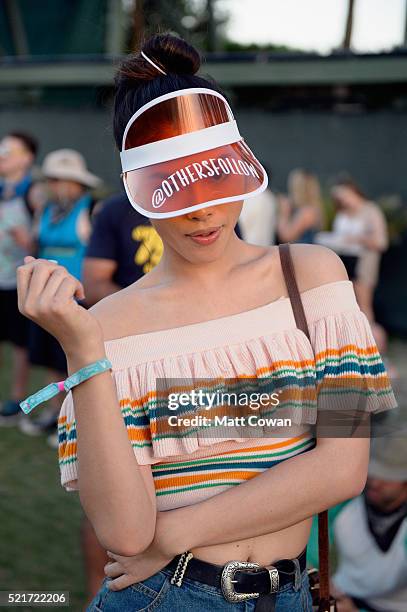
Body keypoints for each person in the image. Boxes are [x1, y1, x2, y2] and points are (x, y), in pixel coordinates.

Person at [17, 34, 397, 612]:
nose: (202, 211)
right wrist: (82, 351)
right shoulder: (111, 325)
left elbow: (343, 469)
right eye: (174, 189)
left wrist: (169, 537)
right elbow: (123, 533)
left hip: (285, 595)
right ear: (138, 195)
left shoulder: (312, 279)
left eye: (214, 179)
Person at [19, 149, 100, 443]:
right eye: (52, 179)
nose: (56, 185)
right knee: (48, 358)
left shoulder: (92, 210)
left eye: (62, 180)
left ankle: (75, 420)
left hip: (77, 299)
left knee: (74, 359)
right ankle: (55, 414)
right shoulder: (46, 211)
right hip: (45, 298)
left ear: (78, 183)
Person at [330, 436, 407, 612]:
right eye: (373, 469)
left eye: (388, 475)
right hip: (344, 596)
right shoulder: (344, 504)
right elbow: (310, 550)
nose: (375, 482)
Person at [0, 131, 38, 424]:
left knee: (20, 344)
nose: (2, 156)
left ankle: (17, 399)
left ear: (27, 158)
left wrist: (25, 240)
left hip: (18, 281)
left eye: (8, 152)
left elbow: (42, 242)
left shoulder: (33, 192)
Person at [276, 169, 324, 244]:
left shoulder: (307, 212)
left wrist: (284, 212)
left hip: (303, 254)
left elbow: (286, 237)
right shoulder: (310, 208)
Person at [239, 163, 277, 246]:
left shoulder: (249, 198)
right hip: (267, 247)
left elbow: (241, 223)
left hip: (248, 247)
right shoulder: (270, 197)